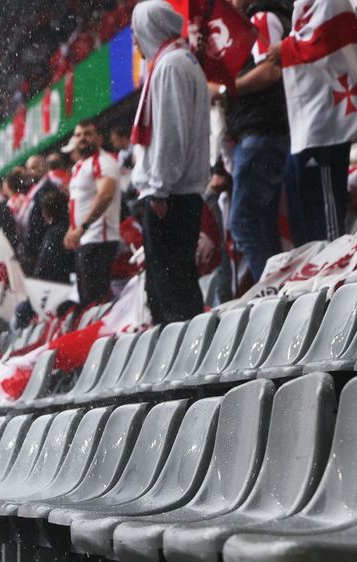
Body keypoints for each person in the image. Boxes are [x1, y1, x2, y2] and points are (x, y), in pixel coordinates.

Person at [266, 0, 357, 243]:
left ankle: (334, 260)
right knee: (307, 203)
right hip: (313, 118)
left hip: (327, 121)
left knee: (326, 203)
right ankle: (318, 262)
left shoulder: (329, 1)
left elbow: (322, 40)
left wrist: (285, 48)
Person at [130, 0, 212, 323]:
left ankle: (188, 365)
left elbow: (170, 134)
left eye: (137, 32)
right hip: (177, 192)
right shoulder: (179, 61)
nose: (135, 41)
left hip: (171, 195)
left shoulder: (171, 66)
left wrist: (159, 188)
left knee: (172, 290)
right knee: (171, 285)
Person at [226, 0, 293, 283]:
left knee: (243, 222)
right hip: (262, 132)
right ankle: (279, 297)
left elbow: (270, 71)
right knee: (262, 223)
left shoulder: (261, 18)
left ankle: (271, 293)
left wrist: (227, 88)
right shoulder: (260, 19)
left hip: (261, 132)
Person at [63, 121, 123, 307]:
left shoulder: (103, 162)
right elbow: (79, 202)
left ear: (99, 138)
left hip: (99, 240)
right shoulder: (81, 165)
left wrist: (82, 227)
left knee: (96, 302)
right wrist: (72, 229)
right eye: (78, 134)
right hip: (86, 240)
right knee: (88, 301)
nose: (82, 138)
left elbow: (105, 195)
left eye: (88, 134)